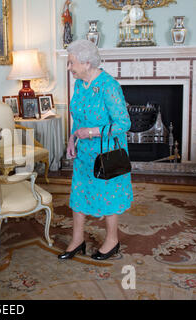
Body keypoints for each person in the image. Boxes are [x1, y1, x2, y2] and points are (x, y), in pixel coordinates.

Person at [58, 39, 133, 261]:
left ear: (87, 62)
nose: (69, 67)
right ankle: (77, 240)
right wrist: (72, 138)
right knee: (79, 193)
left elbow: (123, 124)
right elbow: (77, 116)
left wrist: (91, 132)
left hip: (106, 153)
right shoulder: (80, 84)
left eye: (71, 63)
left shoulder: (109, 86)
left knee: (108, 195)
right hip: (84, 152)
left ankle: (112, 240)